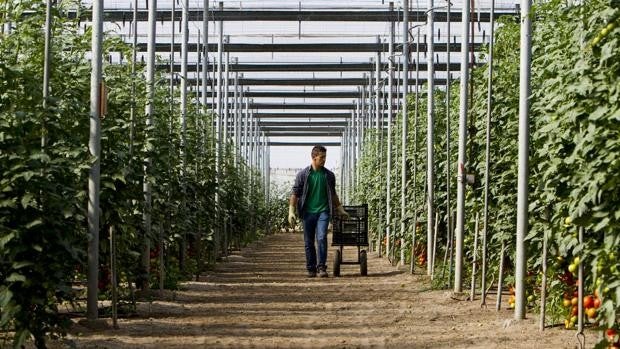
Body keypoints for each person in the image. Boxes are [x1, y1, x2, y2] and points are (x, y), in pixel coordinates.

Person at [288, 145, 349, 278]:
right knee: (308, 241)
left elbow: (333, 195)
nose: (324, 160)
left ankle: (321, 267)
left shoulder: (329, 175)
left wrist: (340, 209)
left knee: (321, 238)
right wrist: (291, 211)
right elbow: (295, 193)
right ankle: (311, 268)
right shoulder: (303, 175)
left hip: (323, 211)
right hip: (307, 212)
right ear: (314, 157)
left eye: (325, 157)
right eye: (321, 157)